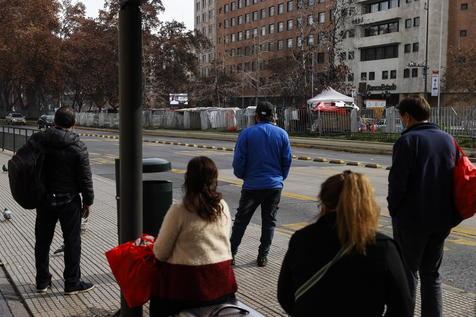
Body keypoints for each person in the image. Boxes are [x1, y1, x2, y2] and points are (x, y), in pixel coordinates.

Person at [278, 171, 412, 317]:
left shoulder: (301, 239)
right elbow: (403, 307)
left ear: (323, 202)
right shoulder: (384, 248)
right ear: (367, 205)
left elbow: (285, 295)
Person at [387, 96, 461, 316]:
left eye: (401, 118)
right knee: (432, 275)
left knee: (408, 273)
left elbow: (397, 183)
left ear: (407, 117)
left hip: (412, 221)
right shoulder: (448, 140)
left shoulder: (407, 141)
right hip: (441, 219)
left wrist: (394, 210)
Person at [151, 156, 237, 317]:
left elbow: (161, 252)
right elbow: (227, 238)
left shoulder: (180, 209)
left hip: (187, 286)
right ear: (214, 179)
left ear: (188, 180)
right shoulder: (222, 206)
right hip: (222, 282)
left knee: (157, 295)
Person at [34, 106, 94, 295]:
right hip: (69, 201)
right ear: (73, 124)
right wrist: (88, 201)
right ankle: (72, 283)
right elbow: (85, 177)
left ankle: (42, 282)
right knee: (72, 241)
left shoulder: (39, 141)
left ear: (54, 122)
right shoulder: (78, 146)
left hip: (44, 199)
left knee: (43, 241)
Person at [230, 102, 292, 267]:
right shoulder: (282, 134)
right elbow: (286, 161)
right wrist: (279, 178)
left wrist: (242, 176)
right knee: (269, 222)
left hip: (251, 186)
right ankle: (262, 257)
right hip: (274, 186)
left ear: (256, 116)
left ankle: (231, 254)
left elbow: (239, 161)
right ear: (273, 116)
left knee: (241, 221)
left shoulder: (246, 134)